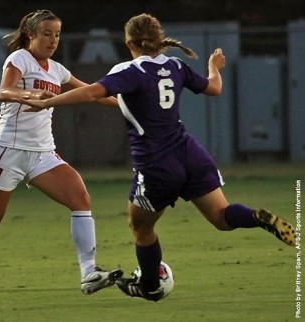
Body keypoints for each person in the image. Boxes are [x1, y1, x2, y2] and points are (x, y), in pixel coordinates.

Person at [19, 12, 297, 302]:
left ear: (129, 42)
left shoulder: (129, 70)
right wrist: (214, 66)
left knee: (141, 228)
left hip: (156, 163)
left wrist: (48, 102)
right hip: (190, 153)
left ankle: (150, 284)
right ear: (159, 40)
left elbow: (91, 93)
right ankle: (256, 217)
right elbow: (214, 88)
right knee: (221, 217)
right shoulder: (176, 66)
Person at [0, 9, 122, 298]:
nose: (52, 40)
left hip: (43, 153)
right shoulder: (20, 58)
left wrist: (131, 104)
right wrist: (33, 96)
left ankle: (89, 273)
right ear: (31, 35)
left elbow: (94, 93)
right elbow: (4, 92)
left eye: (57, 34)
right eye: (46, 33)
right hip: (7, 151)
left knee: (81, 199)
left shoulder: (57, 70)